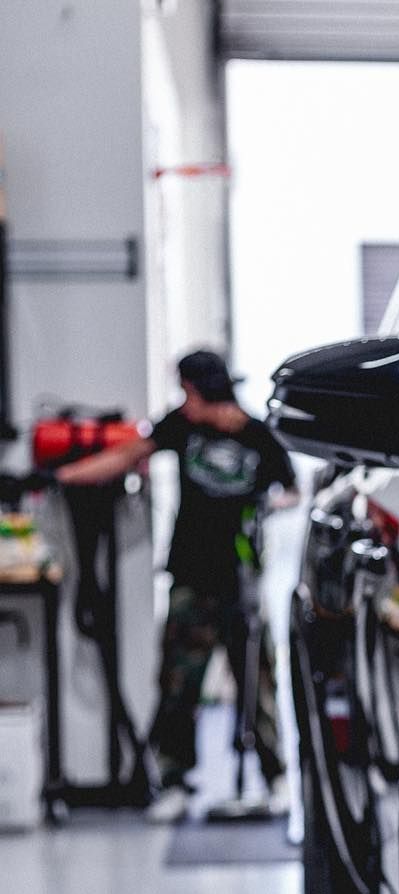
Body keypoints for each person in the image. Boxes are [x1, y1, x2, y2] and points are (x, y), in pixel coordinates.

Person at [6, 350, 297, 822]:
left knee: (255, 681)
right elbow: (125, 455)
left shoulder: (257, 436)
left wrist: (268, 505)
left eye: (187, 390)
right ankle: (177, 780)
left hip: (240, 579)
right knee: (178, 683)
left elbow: (292, 487)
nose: (183, 400)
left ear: (203, 389)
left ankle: (276, 777)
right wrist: (58, 477)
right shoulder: (182, 426)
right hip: (191, 577)